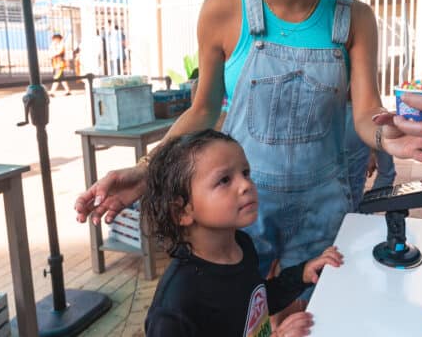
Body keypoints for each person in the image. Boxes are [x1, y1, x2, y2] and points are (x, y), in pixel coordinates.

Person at [76, 0, 422, 287]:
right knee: (245, 315)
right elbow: (202, 113)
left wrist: (389, 137)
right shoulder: (222, 12)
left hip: (323, 213)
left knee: (312, 316)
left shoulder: (356, 19)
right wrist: (147, 168)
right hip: (242, 212)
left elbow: (365, 113)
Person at [142, 130, 343, 337]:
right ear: (182, 211)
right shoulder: (176, 304)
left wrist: (301, 274)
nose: (246, 185)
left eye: (245, 173)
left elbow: (255, 302)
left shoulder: (241, 245)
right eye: (224, 180)